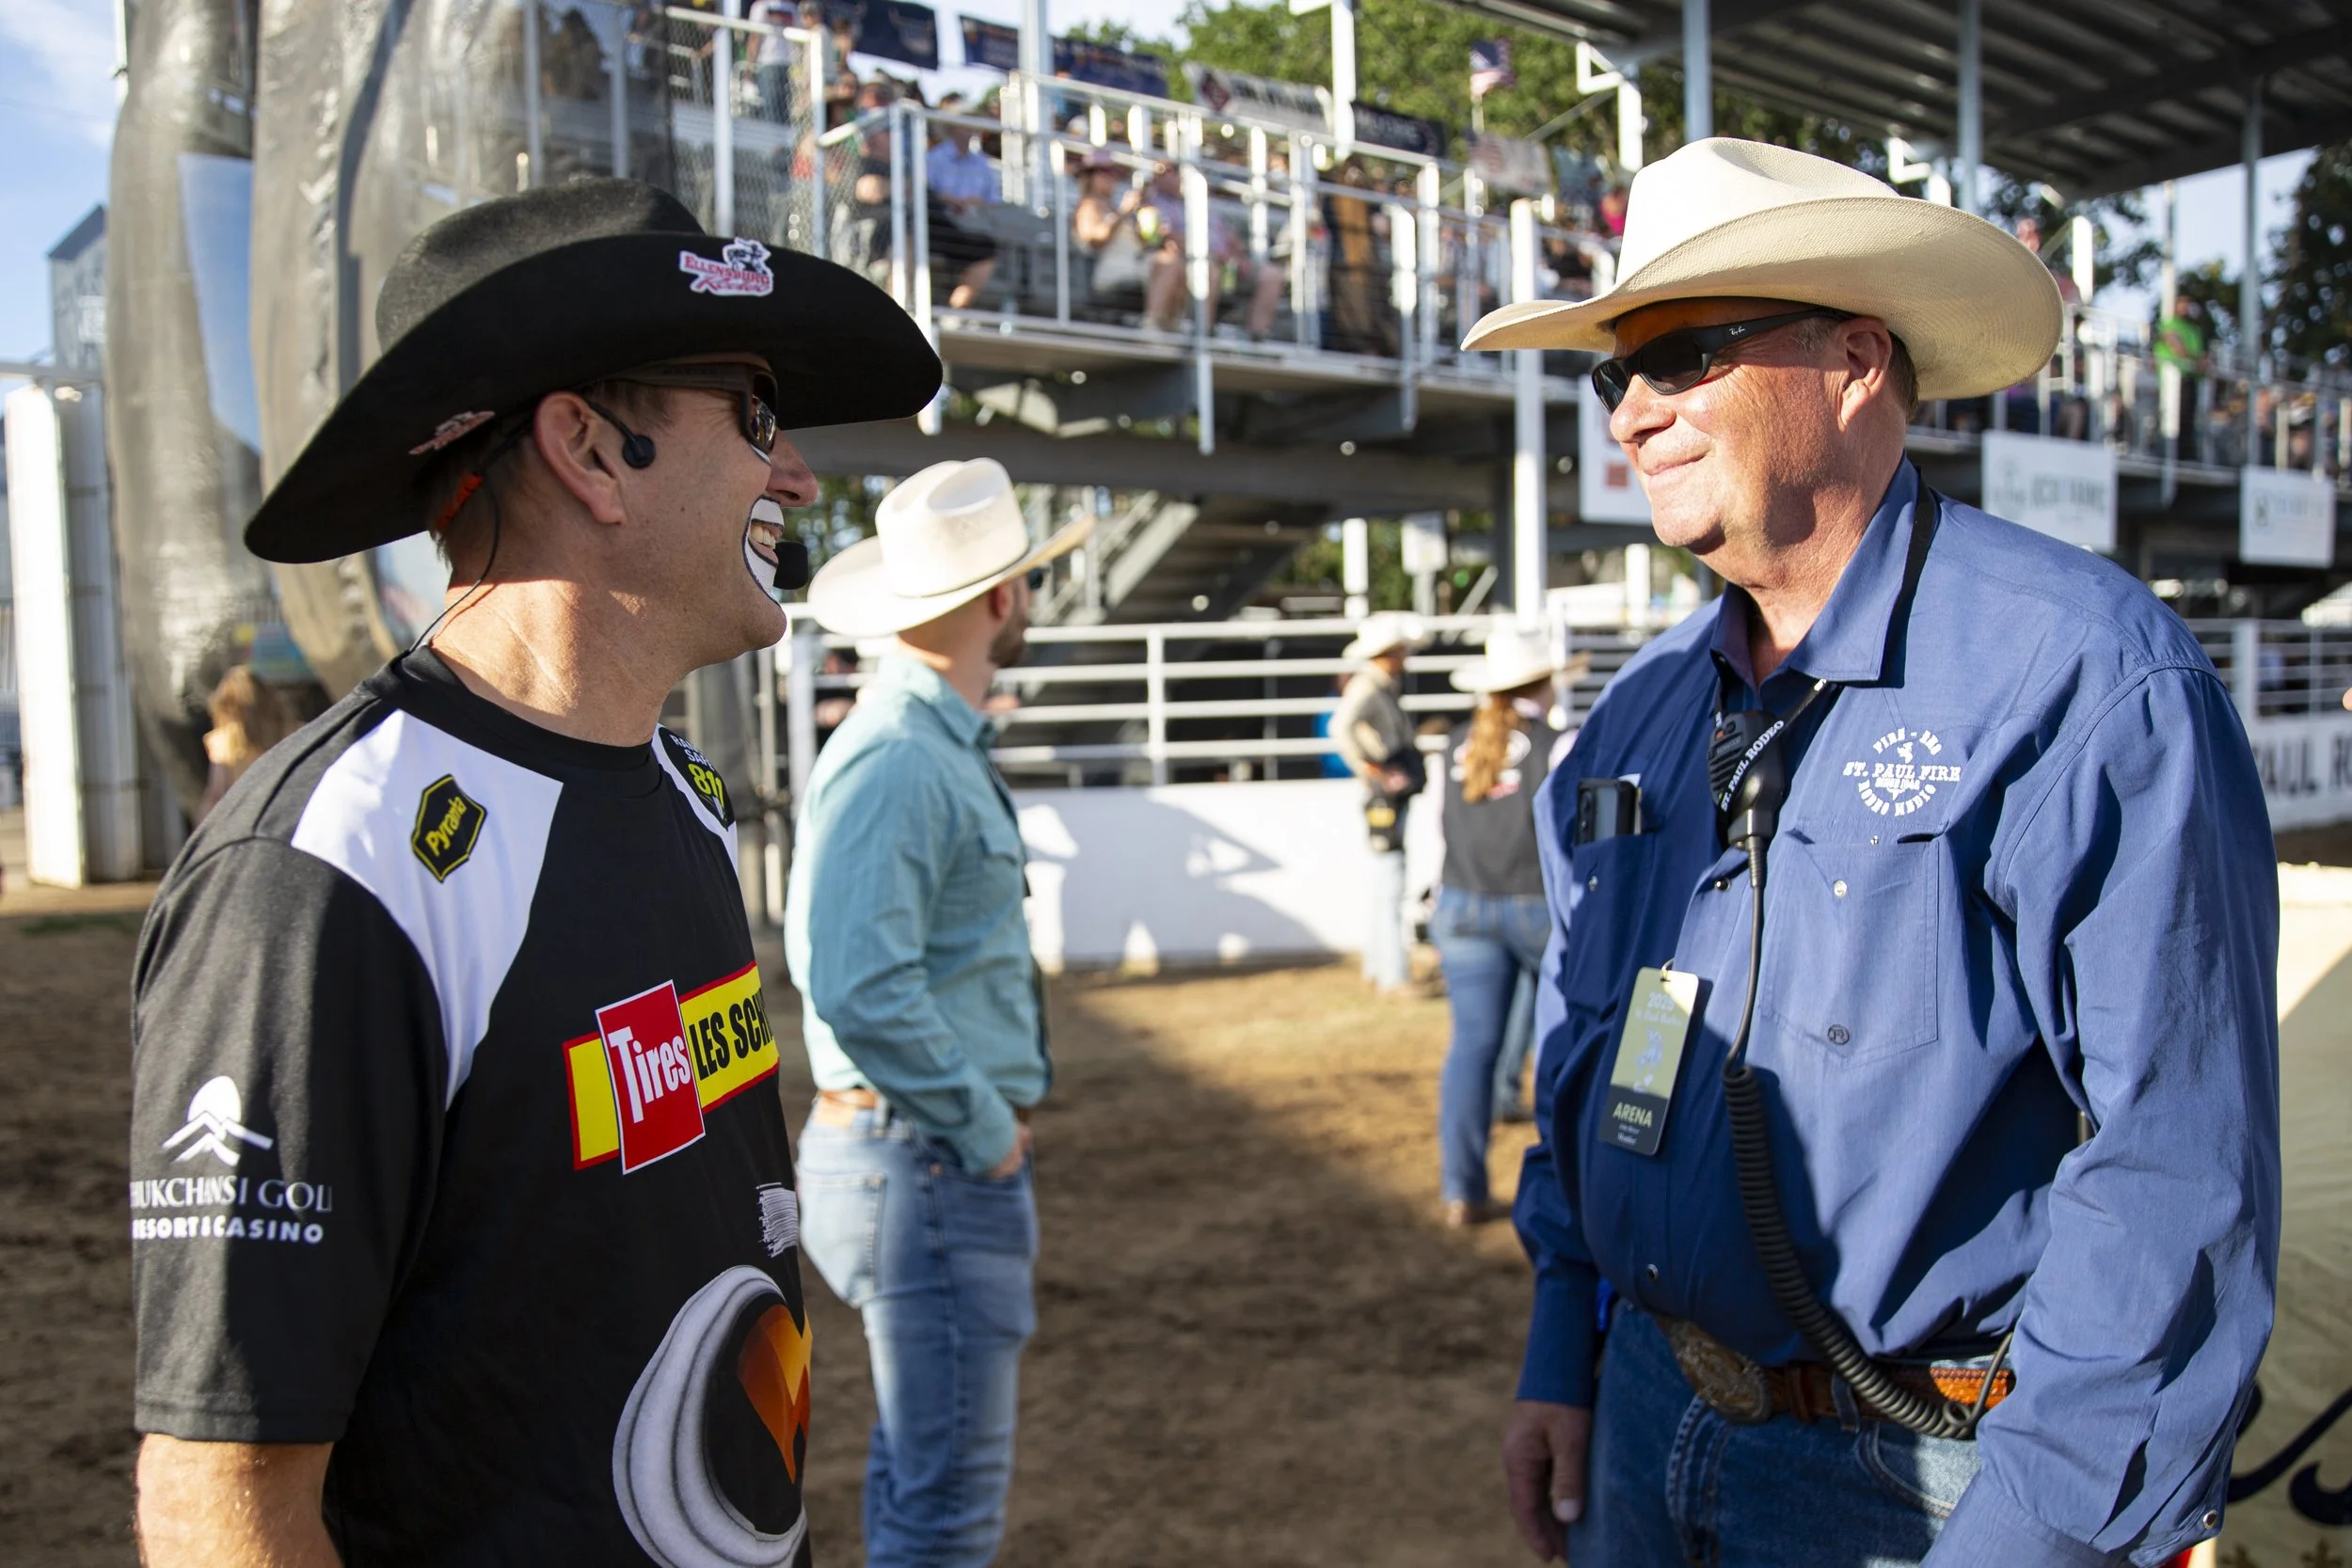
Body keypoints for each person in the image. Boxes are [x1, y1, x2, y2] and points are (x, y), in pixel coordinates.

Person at [1466, 138, 2278, 1567]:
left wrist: (2035, 1538)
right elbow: (1594, 1046)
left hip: (1930, 1481)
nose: (1636, 410)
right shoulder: (1635, 716)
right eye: (1617, 374)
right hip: (1652, 1406)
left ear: (1851, 360)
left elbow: (2175, 1169)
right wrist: (1560, 1345)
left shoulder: (2084, 677)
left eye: (1682, 353)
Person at [127, 179, 941, 1566]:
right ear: (590, 449)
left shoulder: (682, 794)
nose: (794, 473)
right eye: (751, 416)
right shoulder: (328, 865)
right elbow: (225, 1498)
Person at [787, 457, 1089, 1568]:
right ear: (1004, 595)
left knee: (925, 1483)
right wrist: (983, 1128)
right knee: (947, 1506)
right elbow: (862, 984)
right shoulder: (907, 756)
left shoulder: (906, 745)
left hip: (906, 1153)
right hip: (925, 1159)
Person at [1431, 625, 1585, 1227]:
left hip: (1463, 904)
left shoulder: (1453, 744)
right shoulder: (1559, 742)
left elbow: (1439, 827)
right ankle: (1564, 1191)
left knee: (1471, 1047)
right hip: (1536, 906)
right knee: (1558, 1042)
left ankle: (1460, 1190)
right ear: (1544, 683)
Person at [1332, 611, 1430, 995]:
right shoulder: (1369, 687)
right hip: (1385, 795)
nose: (1405, 656)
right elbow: (1340, 727)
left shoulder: (1380, 685)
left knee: (1385, 878)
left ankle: (1382, 968)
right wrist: (1370, 769)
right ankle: (1392, 975)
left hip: (1388, 793)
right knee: (1389, 877)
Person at [1073, 150, 1184, 329]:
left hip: (1135, 266)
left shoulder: (1111, 207)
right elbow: (1095, 239)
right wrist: (1125, 211)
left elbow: (1140, 244)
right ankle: (1151, 326)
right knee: (1168, 263)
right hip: (1112, 271)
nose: (1111, 178)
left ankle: (1170, 328)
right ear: (1089, 177)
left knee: (1176, 263)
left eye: (1113, 174)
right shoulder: (1088, 206)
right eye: (1104, 173)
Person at [194, 664, 299, 822]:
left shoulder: (224, 740)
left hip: (247, 821)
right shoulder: (297, 731)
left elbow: (216, 794)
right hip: (290, 814)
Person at [925, 95, 1001, 309]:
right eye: (965, 121)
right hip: (939, 227)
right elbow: (925, 193)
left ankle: (955, 312)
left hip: (970, 229)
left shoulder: (983, 164)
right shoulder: (933, 158)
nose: (969, 127)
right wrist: (952, 201)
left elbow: (992, 201)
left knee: (987, 251)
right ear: (952, 126)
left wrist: (976, 204)